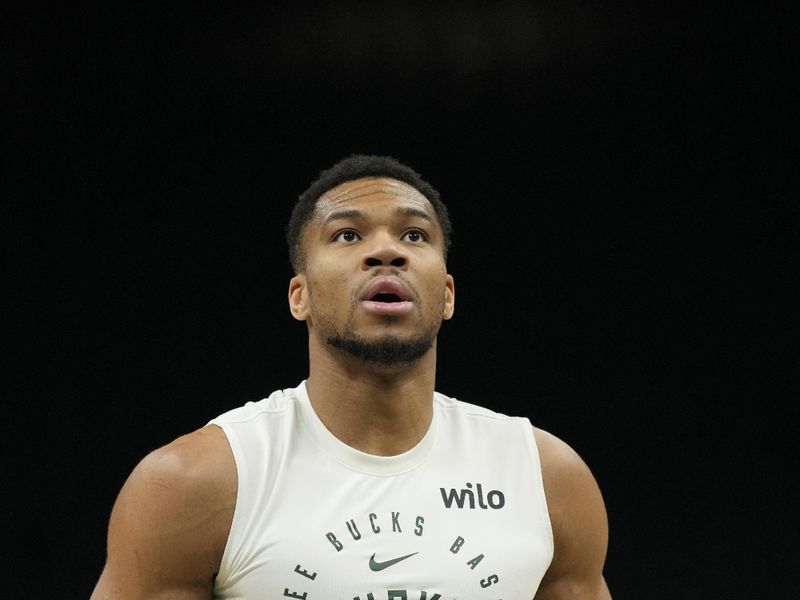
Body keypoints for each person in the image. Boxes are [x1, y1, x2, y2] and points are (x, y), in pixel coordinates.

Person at [91, 154, 612, 599]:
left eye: (414, 234)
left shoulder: (546, 477)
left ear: (447, 293)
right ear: (301, 297)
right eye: (347, 234)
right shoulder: (196, 482)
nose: (387, 251)